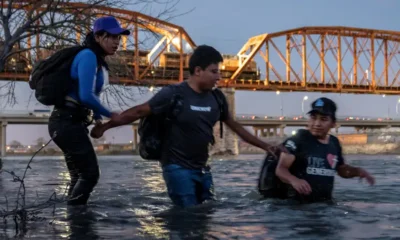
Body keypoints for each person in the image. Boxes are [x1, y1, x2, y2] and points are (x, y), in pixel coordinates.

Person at [90, 45, 277, 208]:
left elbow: (235, 127)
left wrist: (266, 146)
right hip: (176, 168)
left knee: (206, 213)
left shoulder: (217, 98)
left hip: (203, 169)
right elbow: (138, 112)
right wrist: (105, 127)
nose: (218, 77)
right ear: (198, 70)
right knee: (188, 215)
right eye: (214, 71)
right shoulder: (173, 94)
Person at [48, 16, 129, 205]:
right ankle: (79, 221)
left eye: (120, 38)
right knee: (90, 175)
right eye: (113, 36)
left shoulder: (97, 60)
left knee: (78, 176)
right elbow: (85, 96)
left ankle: (72, 221)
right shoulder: (88, 56)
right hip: (66, 122)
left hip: (70, 122)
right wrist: (111, 114)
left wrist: (99, 119)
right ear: (99, 36)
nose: (118, 42)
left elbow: (92, 94)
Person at [275, 97, 375, 203]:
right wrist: (294, 180)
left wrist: (358, 171)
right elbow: (281, 169)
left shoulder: (334, 143)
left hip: (325, 206)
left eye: (323, 119)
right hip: (296, 208)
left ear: (333, 123)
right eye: (313, 118)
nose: (317, 123)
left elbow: (341, 170)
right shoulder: (298, 140)